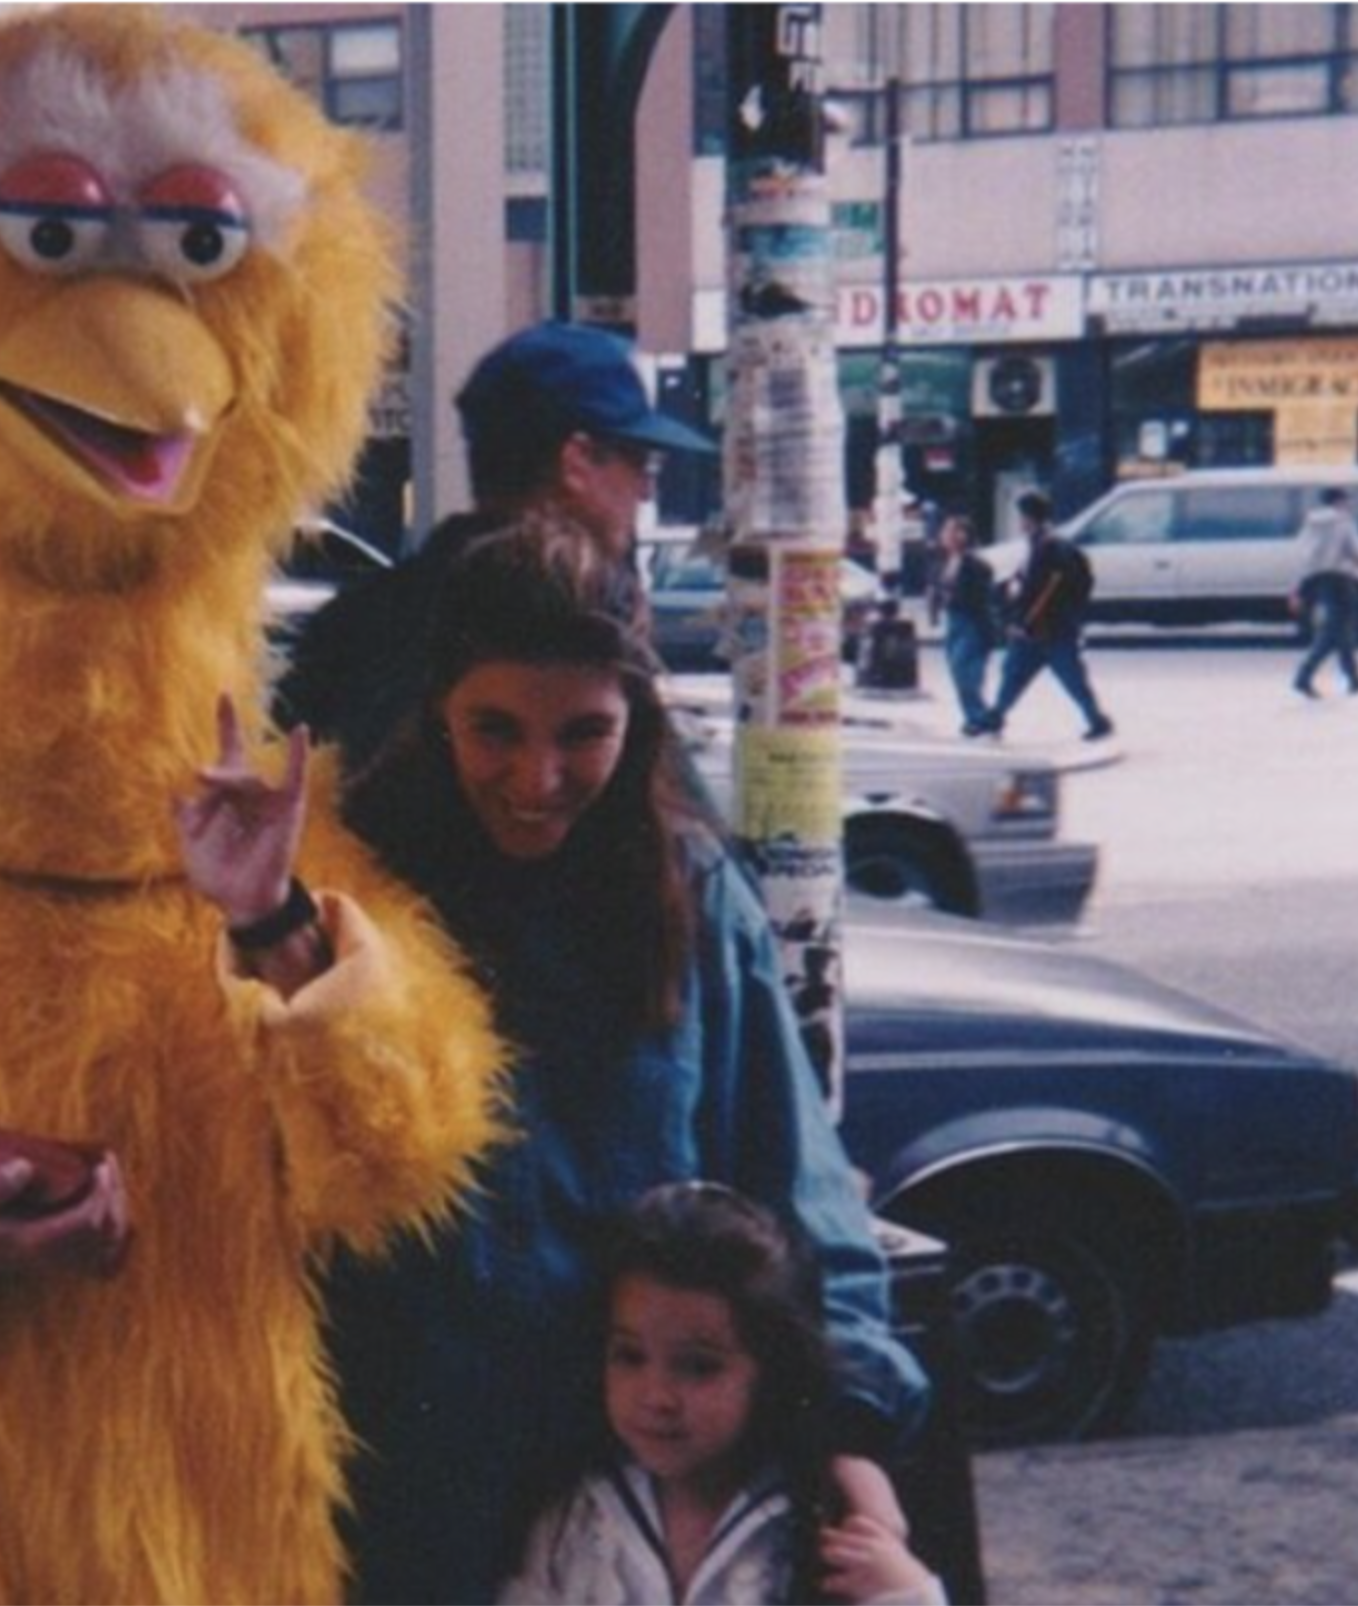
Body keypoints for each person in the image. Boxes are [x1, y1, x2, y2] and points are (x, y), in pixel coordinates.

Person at [325, 522, 929, 1604]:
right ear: (436, 714)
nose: (537, 777)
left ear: (637, 722)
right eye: (494, 730)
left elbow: (799, 1194)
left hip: (633, 1488)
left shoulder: (692, 900)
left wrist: (853, 1450)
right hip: (400, 1493)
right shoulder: (350, 894)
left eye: (584, 734)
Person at [278, 321, 715, 767]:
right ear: (577, 461)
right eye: (641, 462)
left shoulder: (356, 618)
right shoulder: (581, 627)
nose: (645, 489)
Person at [499, 1183, 945, 1606]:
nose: (657, 1396)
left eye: (698, 1367)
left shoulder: (817, 1518)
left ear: (771, 1369)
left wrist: (905, 1593)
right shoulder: (578, 1516)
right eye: (630, 1356)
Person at [977, 491, 1113, 742]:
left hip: (1047, 628)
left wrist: (1022, 621)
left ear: (1029, 518)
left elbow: (1044, 592)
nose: (1019, 522)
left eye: (1021, 516)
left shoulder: (1049, 548)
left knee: (1064, 677)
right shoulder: (1046, 545)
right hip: (1047, 627)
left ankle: (1096, 719)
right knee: (1017, 673)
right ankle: (996, 716)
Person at [929, 512, 998, 737]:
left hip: (972, 623)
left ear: (962, 535)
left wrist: (950, 597)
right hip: (953, 622)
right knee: (958, 673)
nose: (943, 535)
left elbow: (979, 598)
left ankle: (980, 718)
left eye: (949, 530)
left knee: (965, 672)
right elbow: (938, 589)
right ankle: (976, 718)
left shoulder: (977, 565)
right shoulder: (945, 562)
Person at [1291, 485, 1358, 698]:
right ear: (1338, 501)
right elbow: (1354, 550)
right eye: (1346, 500)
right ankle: (1303, 677)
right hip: (1341, 578)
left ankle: (1353, 680)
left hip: (1316, 579)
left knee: (1340, 628)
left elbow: (1301, 551)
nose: (1349, 503)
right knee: (1337, 628)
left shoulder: (1311, 522)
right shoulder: (1342, 521)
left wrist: (1300, 586)